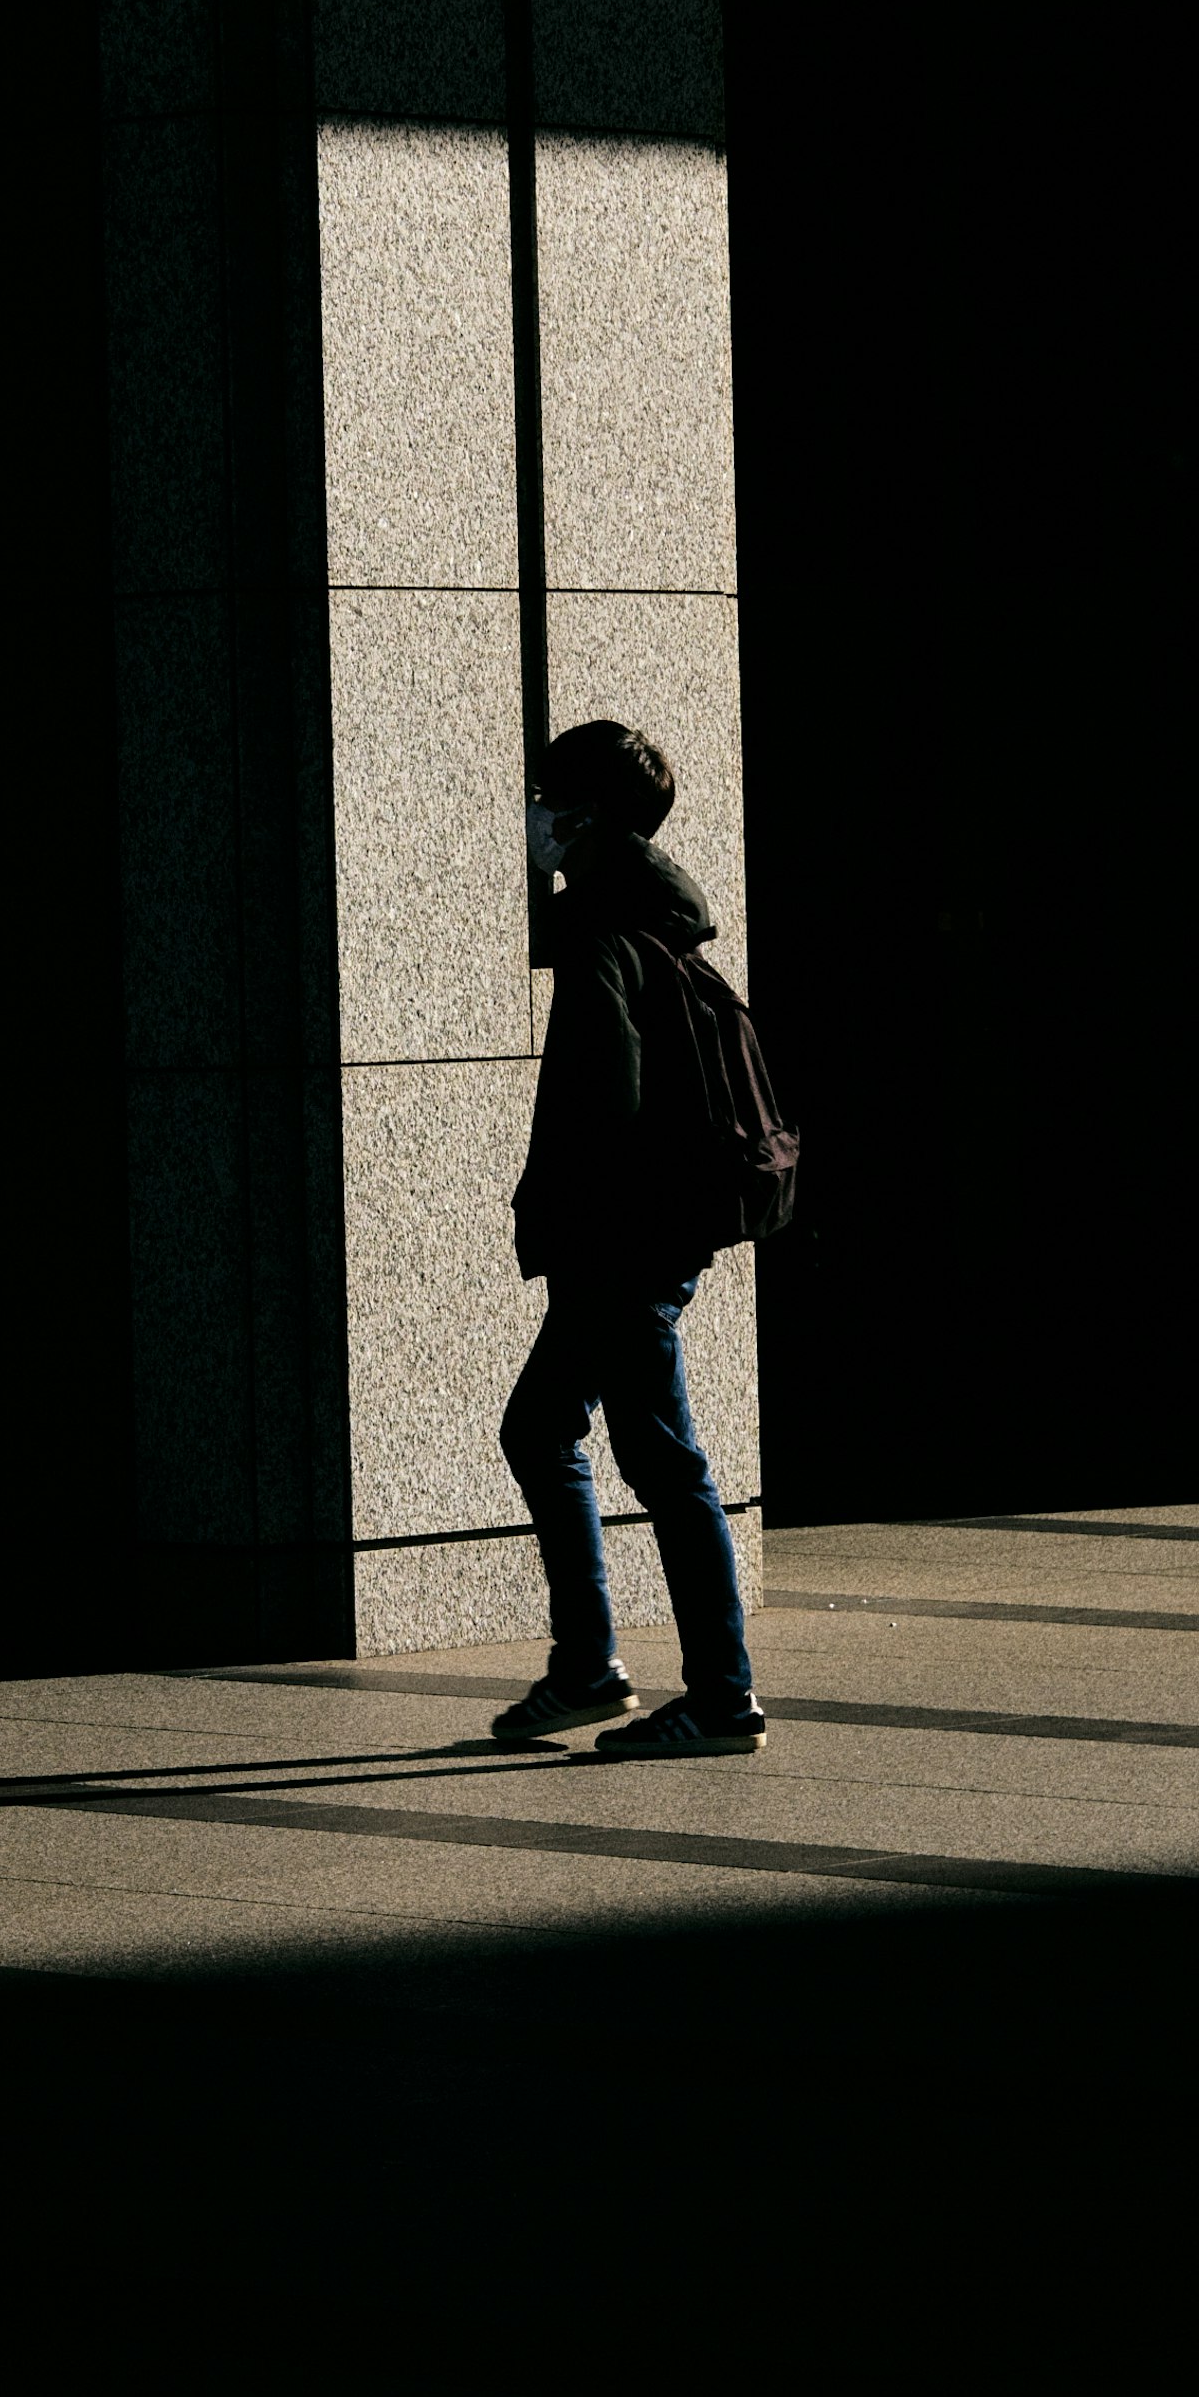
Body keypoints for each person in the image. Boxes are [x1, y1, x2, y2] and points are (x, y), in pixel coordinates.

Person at [490, 719, 766, 1758]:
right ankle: (587, 1669)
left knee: (664, 1463)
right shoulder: (647, 917)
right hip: (637, 1240)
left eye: (546, 797)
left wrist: (570, 1222)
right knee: (541, 1430)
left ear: (587, 816)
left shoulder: (606, 931)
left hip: (622, 1244)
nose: (534, 816)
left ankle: (723, 1698)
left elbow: (605, 1100)